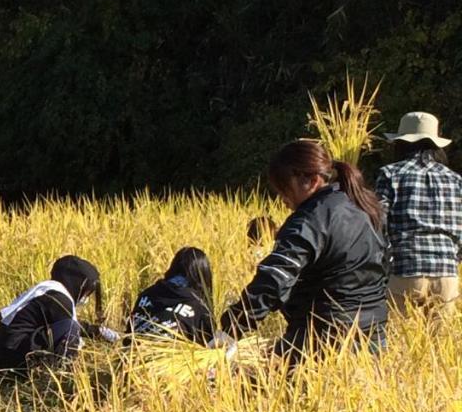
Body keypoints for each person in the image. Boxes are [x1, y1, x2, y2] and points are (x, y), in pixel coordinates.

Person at [221, 139, 388, 361]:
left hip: (322, 339)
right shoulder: (367, 207)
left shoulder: (310, 220)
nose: (283, 200)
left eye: (283, 189)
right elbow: (385, 265)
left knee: (264, 391)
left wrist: (233, 326)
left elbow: (275, 278)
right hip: (374, 335)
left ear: (310, 180)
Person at [373, 111, 462, 316]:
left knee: (400, 343)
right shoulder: (455, 179)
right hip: (446, 274)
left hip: (405, 269)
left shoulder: (391, 174)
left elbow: (378, 222)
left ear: (401, 143)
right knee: (437, 346)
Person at [0, 255, 110, 371]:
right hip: (14, 360)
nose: (86, 297)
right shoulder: (59, 299)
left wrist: (98, 332)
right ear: (78, 284)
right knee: (70, 329)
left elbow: (72, 324)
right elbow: (71, 331)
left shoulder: (49, 291)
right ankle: (59, 374)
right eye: (87, 292)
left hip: (5, 354)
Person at [126, 247, 216, 345]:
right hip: (175, 358)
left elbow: (128, 336)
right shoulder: (199, 306)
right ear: (203, 275)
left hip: (132, 354)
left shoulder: (146, 294)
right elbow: (209, 345)